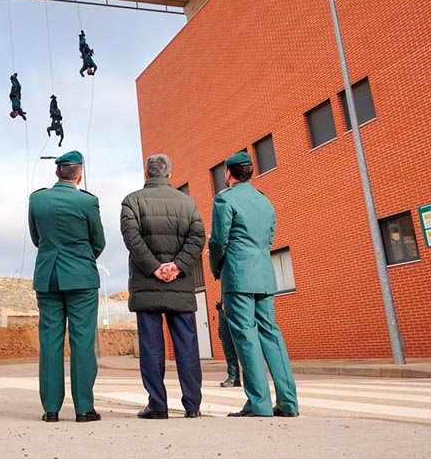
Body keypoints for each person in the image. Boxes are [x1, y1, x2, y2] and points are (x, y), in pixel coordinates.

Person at [209, 152, 298, 418]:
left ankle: (258, 404)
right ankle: (288, 402)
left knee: (245, 336)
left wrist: (216, 267)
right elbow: (269, 238)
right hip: (264, 275)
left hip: (237, 276)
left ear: (228, 172)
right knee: (271, 334)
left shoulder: (224, 199)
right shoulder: (264, 201)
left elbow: (218, 241)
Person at [120, 154, 206, 419]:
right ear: (169, 174)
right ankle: (192, 406)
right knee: (187, 347)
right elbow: (198, 237)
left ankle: (158, 405)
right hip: (179, 285)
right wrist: (177, 266)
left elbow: (131, 238)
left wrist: (154, 268)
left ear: (147, 174)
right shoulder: (188, 203)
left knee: (152, 347)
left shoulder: (132, 201)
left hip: (147, 285)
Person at [28, 151, 105, 423]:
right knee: (82, 341)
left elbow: (37, 238)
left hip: (48, 275)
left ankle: (51, 409)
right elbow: (99, 241)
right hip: (81, 277)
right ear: (79, 174)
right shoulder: (87, 201)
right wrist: (81, 259)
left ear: (57, 173)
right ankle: (84, 408)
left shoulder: (37, 199)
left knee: (50, 341)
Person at [215, 300, 241, 387]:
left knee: (244, 347)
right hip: (223, 310)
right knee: (228, 348)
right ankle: (233, 378)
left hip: (236, 309)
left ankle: (253, 379)